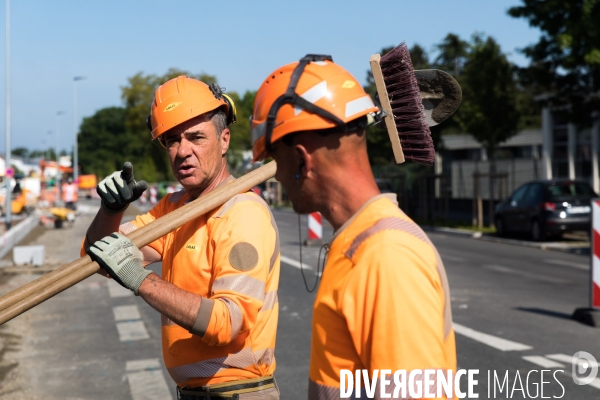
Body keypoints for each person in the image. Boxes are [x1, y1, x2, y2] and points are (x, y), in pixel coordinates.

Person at [251, 55, 456, 398]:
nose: (278, 175)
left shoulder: (385, 257)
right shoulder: (361, 244)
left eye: (275, 161)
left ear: (302, 160)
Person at [83, 76, 281, 399]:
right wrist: (110, 212)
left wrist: (141, 280)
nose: (183, 151)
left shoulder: (242, 212)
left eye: (196, 137)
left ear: (224, 140)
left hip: (239, 392)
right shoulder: (174, 210)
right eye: (172, 140)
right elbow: (99, 258)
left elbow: (228, 322)